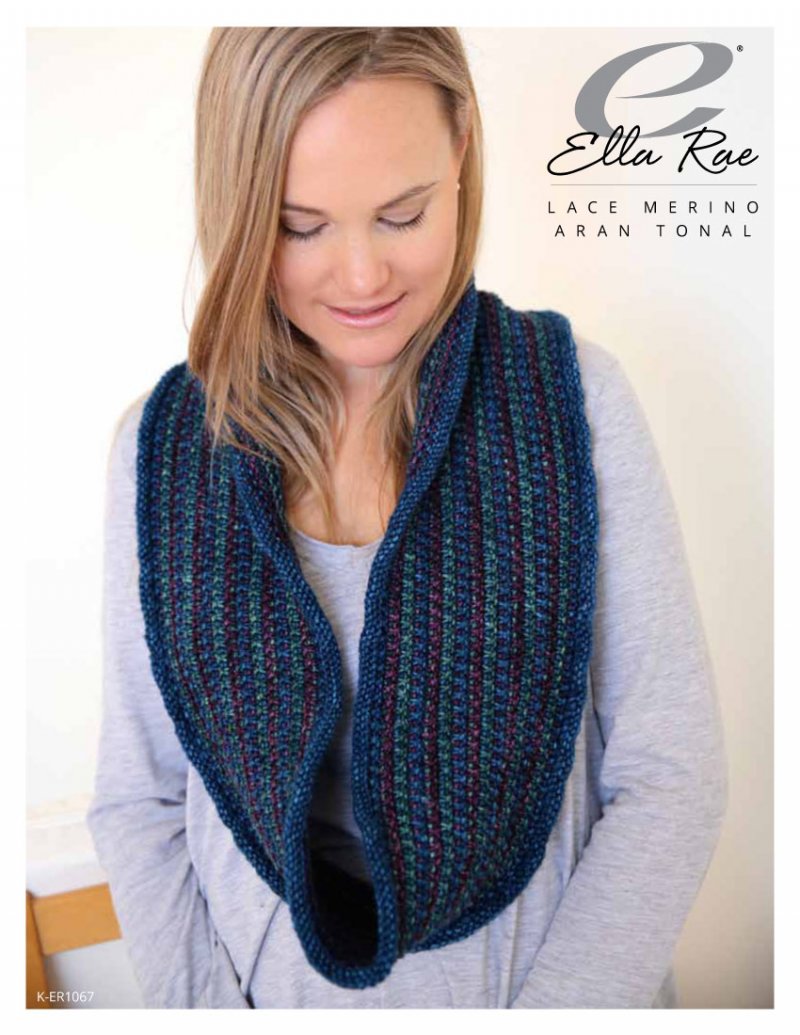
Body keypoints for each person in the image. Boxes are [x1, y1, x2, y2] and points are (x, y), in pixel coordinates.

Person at [86, 27, 728, 1009]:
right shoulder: (163, 448)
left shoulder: (571, 404)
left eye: (402, 213)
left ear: (462, 149)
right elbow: (140, 800)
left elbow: (670, 776)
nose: (361, 279)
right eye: (300, 227)